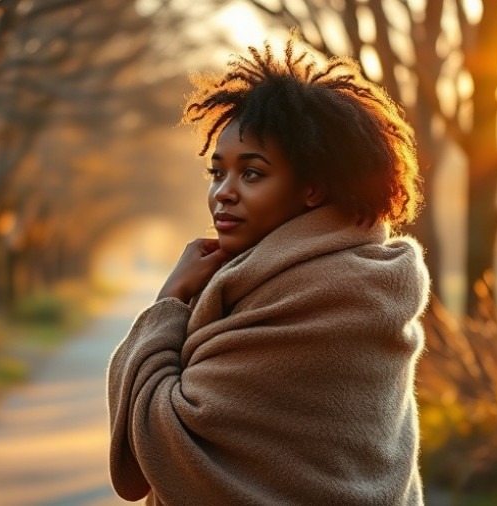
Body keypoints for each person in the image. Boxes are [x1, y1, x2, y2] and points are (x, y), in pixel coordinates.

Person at [107, 34, 429, 505]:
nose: (224, 193)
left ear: (313, 188)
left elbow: (165, 437)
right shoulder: (357, 279)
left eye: (252, 173)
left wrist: (169, 302)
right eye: (218, 173)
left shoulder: (328, 296)